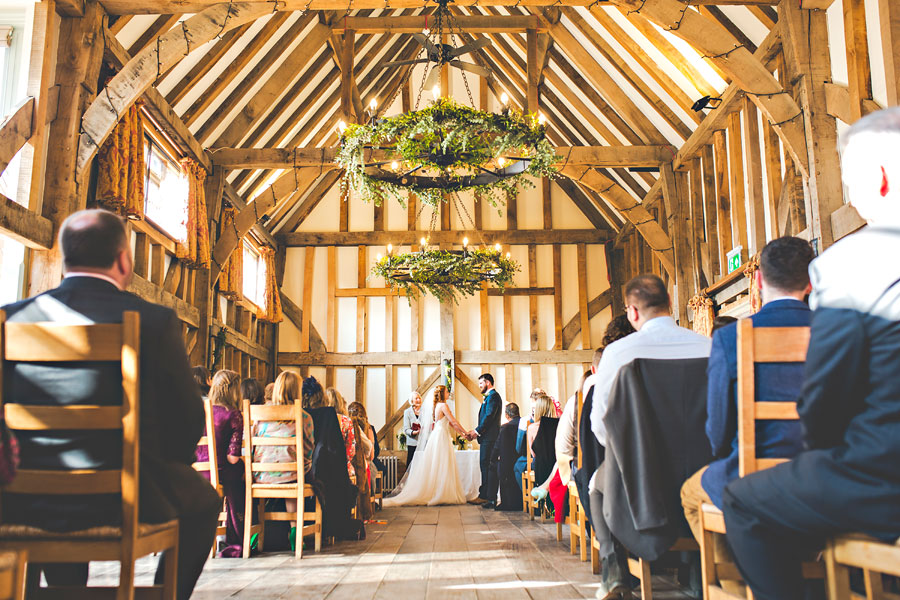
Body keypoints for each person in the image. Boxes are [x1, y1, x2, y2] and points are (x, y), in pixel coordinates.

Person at [722, 107, 900, 600]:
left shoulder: (854, 262)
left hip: (883, 472)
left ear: (880, 178)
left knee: (742, 502)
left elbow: (825, 398)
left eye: (851, 182)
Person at [2, 209, 219, 599]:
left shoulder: (10, 320)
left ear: (65, 258)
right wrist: (161, 464)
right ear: (124, 260)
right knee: (204, 503)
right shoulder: (153, 321)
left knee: (53, 504)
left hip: (24, 496)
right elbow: (188, 419)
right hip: (123, 494)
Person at [680, 237, 814, 543]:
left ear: (758, 279)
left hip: (754, 476)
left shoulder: (731, 338)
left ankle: (735, 583)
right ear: (809, 282)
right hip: (828, 474)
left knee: (690, 494)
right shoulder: (839, 331)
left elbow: (717, 432)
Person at [588, 275, 711, 599]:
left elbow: (601, 427)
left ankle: (615, 574)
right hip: (702, 475)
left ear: (632, 312)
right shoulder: (708, 346)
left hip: (641, 484)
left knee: (596, 487)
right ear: (670, 301)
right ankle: (701, 571)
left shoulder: (618, 353)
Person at [384, 385, 470, 506]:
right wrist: (466, 433)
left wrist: (463, 433)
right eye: (446, 391)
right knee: (443, 463)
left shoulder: (436, 406)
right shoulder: (443, 405)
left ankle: (438, 490)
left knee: (437, 463)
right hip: (441, 436)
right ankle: (442, 492)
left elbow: (450, 424)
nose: (448, 393)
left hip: (438, 435)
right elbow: (453, 422)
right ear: (441, 394)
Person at [195, 370, 247, 558]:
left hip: (197, 472)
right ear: (234, 391)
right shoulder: (233, 415)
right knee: (241, 472)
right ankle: (236, 533)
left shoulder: (199, 410)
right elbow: (232, 458)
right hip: (220, 472)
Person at [304, 377, 362, 540]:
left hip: (292, 471)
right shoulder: (336, 419)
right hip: (326, 471)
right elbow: (348, 452)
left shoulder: (298, 416)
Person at [468, 373, 502, 505]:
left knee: (487, 466)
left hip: (490, 438)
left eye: (481, 383)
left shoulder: (493, 397)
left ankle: (487, 496)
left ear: (488, 382)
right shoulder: (490, 397)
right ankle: (487, 495)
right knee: (486, 466)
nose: (479, 386)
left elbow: (488, 417)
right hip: (487, 438)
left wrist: (477, 431)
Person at [484, 403, 523, 511]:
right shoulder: (525, 424)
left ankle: (491, 499)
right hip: (520, 461)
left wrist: (492, 459)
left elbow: (497, 447)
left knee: (492, 466)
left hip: (506, 464)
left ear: (506, 415)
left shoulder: (505, 428)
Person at [348, 401, 375, 521]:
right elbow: (369, 447)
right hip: (360, 464)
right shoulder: (360, 427)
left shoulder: (348, 423)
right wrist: (366, 456)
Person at [324, 388, 357, 485]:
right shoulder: (346, 421)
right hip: (343, 468)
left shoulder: (320, 419)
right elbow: (351, 450)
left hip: (323, 468)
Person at [402, 391, 423, 467]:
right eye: (416, 398)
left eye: (419, 398)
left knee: (422, 466)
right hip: (412, 443)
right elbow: (406, 429)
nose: (418, 400)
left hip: (423, 443)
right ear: (412, 401)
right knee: (411, 466)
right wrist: (414, 432)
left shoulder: (425, 411)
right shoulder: (407, 412)